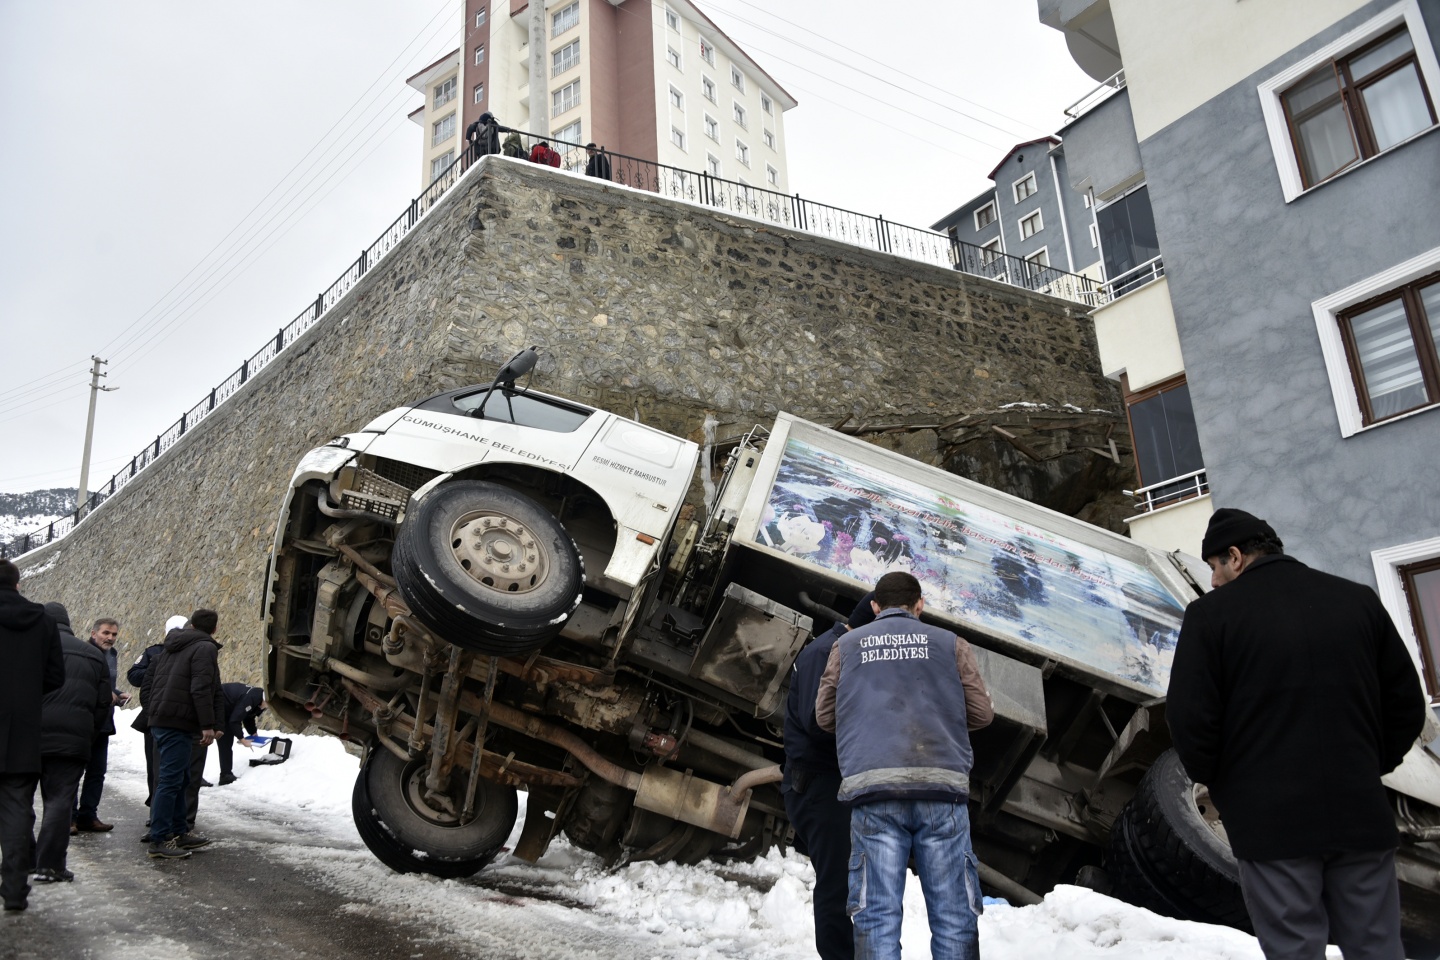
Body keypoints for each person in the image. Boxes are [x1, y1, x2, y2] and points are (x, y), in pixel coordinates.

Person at [1167, 509, 1426, 960]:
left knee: (1294, 950)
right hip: (1359, 814)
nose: (1212, 581)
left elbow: (1190, 721)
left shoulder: (1210, 617)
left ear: (1235, 556)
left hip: (1270, 827)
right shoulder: (1357, 600)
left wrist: (1228, 789)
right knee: (1377, 946)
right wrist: (1368, 766)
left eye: (1213, 567)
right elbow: (1406, 705)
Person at [816, 571, 994, 960]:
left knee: (876, 916)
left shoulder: (845, 646)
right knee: (953, 916)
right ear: (920, 605)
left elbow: (824, 717)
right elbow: (981, 714)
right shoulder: (951, 644)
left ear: (876, 607)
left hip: (873, 793)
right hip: (941, 792)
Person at [783, 594, 875, 960]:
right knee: (835, 887)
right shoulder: (828, 653)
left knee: (841, 884)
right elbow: (817, 723)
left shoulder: (838, 648)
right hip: (819, 784)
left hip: (822, 783)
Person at [0, 559, 65, 911]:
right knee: (15, 811)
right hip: (23, 730)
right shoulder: (42, 620)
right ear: (18, 584)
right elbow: (56, 676)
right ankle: (13, 890)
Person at [139, 608, 224, 859]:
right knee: (170, 781)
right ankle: (158, 840)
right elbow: (201, 688)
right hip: (178, 721)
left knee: (182, 778)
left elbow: (149, 685)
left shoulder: (170, 647)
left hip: (164, 719)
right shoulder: (205, 648)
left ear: (191, 625)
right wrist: (207, 724)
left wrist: (154, 712)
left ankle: (179, 831)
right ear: (215, 628)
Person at [35, 602, 109, 883]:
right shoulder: (93, 654)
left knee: (18, 799)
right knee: (59, 801)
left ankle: (21, 860)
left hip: (28, 736)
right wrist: (86, 734)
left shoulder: (29, 648)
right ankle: (50, 866)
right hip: (72, 740)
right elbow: (103, 704)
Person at [129, 615, 186, 816]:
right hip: (155, 715)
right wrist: (160, 674)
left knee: (178, 771)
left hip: (178, 717)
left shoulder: (194, 652)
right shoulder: (153, 653)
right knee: (155, 767)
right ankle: (156, 810)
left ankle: (174, 815)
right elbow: (133, 675)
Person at [73, 617, 124, 833]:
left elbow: (106, 684)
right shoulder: (83, 652)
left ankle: (88, 815)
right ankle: (69, 817)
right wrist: (104, 694)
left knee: (97, 772)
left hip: (103, 721)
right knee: (74, 771)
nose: (110, 638)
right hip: (83, 720)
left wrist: (118, 694)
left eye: (113, 634)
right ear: (94, 633)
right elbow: (78, 684)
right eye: (106, 633)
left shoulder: (112, 655)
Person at [213, 683, 266, 786]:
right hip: (219, 707)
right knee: (224, 740)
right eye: (267, 706)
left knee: (226, 742)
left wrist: (253, 732)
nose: (266, 709)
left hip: (228, 710)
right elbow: (234, 720)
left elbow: (248, 716)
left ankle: (226, 775)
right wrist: (242, 739)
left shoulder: (258, 698)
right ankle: (196, 776)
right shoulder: (252, 698)